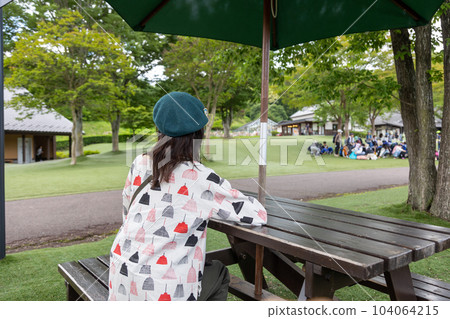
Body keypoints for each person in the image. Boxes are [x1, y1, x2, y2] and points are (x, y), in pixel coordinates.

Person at [108, 92, 267, 301]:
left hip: (121, 276)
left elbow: (128, 210)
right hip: (162, 291)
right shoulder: (200, 178)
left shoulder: (139, 163)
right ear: (198, 133)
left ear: (158, 129)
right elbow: (257, 215)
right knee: (219, 272)